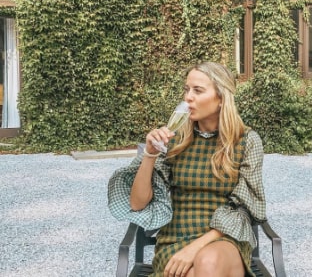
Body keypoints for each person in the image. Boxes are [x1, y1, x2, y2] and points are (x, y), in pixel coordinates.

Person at [108, 62, 266, 277]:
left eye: (198, 91)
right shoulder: (174, 140)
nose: (188, 97)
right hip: (175, 240)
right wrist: (150, 154)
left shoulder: (246, 141)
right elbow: (137, 204)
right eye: (187, 89)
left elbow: (246, 208)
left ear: (221, 98)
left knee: (208, 261)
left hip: (225, 240)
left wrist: (196, 248)